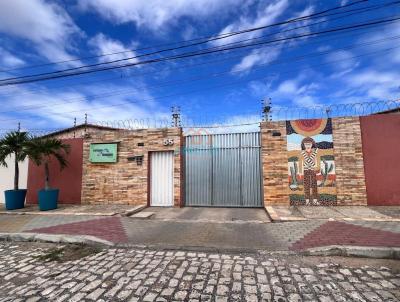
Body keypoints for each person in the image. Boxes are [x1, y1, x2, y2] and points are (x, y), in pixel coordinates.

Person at [300, 137, 320, 205]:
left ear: (312, 144)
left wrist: (317, 168)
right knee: (306, 185)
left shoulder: (314, 152)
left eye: (309, 144)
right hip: (305, 170)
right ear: (303, 145)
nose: (308, 145)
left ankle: (315, 200)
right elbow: (300, 162)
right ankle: (307, 200)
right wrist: (300, 171)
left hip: (313, 169)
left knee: (314, 184)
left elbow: (317, 160)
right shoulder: (302, 153)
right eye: (306, 144)